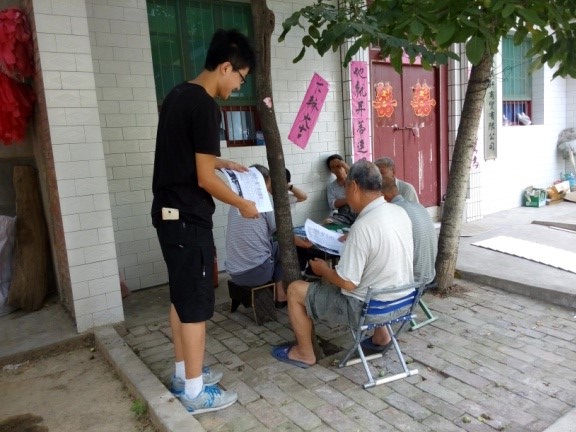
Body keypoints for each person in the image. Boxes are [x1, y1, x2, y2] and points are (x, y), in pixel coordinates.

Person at [151, 28, 258, 415]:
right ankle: (195, 394)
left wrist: (220, 161)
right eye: (241, 78)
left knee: (181, 297)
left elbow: (187, 157)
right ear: (226, 67)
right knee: (195, 305)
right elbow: (203, 179)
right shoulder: (206, 106)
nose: (240, 86)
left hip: (168, 215)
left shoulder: (179, 94)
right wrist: (242, 204)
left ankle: (184, 375)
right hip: (188, 219)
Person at [270, 160, 414, 368]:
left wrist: (324, 270)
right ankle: (382, 337)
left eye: (346, 188)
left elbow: (348, 283)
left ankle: (304, 353)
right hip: (402, 302)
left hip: (368, 308)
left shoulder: (363, 226)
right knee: (375, 277)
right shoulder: (398, 212)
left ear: (353, 186)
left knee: (294, 289)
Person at [361, 177, 438, 351]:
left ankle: (380, 334)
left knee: (370, 271)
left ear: (382, 196)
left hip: (412, 283)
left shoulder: (395, 213)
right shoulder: (417, 206)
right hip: (429, 274)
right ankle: (381, 332)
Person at [225, 164, 312, 309]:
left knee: (274, 247)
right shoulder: (264, 200)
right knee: (286, 250)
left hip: (234, 271)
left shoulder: (236, 200)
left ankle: (279, 293)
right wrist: (303, 244)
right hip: (256, 272)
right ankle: (282, 296)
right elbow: (283, 235)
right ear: (267, 180)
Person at [325, 154, 357, 225]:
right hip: (344, 215)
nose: (336, 169)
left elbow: (359, 179)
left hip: (359, 212)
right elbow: (332, 205)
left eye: (338, 166)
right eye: (333, 167)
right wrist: (348, 199)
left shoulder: (354, 179)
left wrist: (344, 165)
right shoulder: (331, 186)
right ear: (331, 170)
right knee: (328, 221)